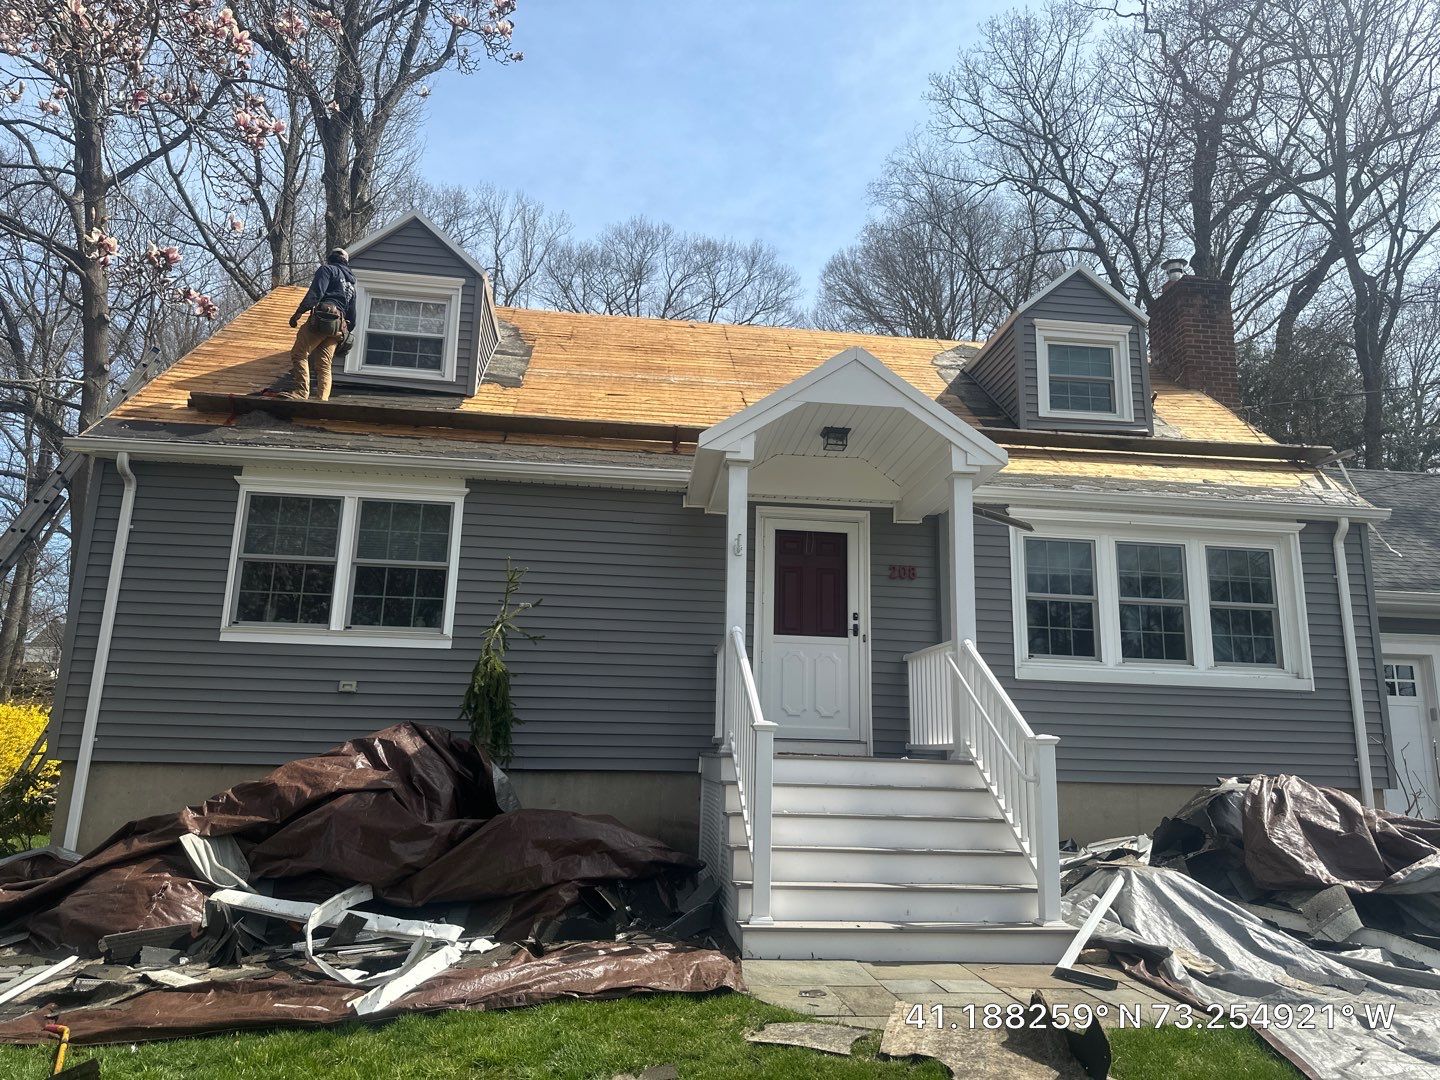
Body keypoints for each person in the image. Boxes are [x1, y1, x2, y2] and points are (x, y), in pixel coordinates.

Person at [283, 248, 357, 401]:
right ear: (346, 261)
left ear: (331, 258)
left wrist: (299, 312)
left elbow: (316, 293)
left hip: (324, 319)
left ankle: (301, 392)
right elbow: (352, 314)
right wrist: (346, 331)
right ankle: (322, 400)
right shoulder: (351, 284)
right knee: (324, 364)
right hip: (338, 327)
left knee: (299, 353)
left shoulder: (327, 270)